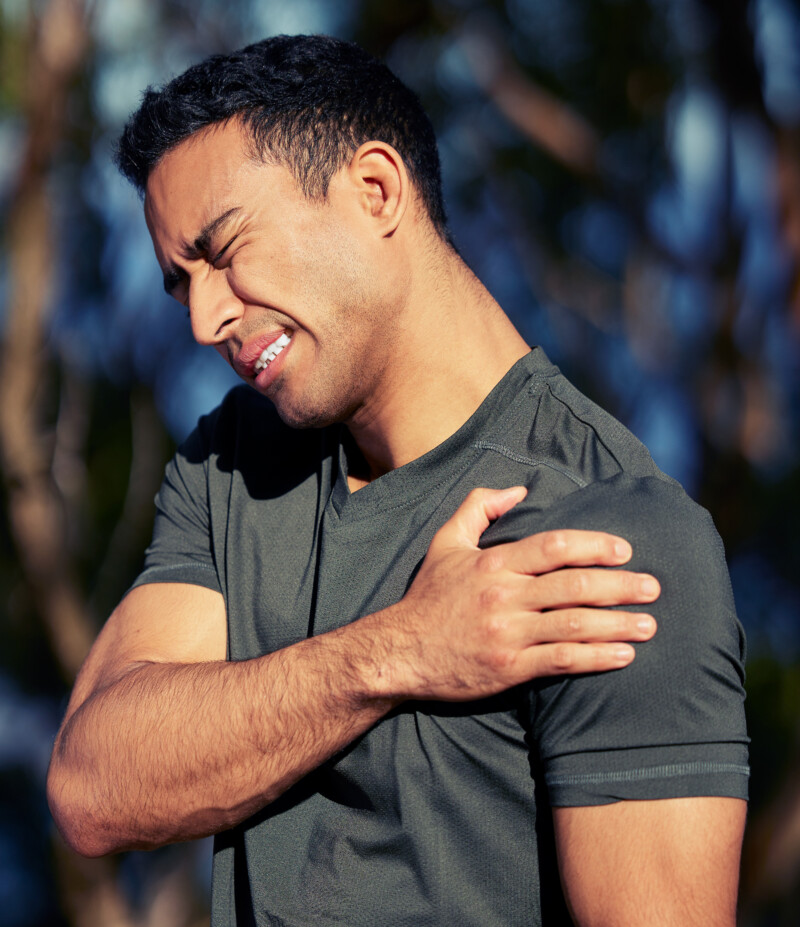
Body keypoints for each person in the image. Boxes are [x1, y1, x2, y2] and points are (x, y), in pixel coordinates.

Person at [47, 34, 748, 926]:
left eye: (222, 250)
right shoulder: (233, 463)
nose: (205, 319)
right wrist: (402, 649)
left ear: (375, 190)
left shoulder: (610, 537)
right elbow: (91, 786)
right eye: (181, 285)